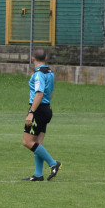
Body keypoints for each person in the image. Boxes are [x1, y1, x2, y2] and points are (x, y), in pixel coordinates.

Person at [22, 47, 62, 181]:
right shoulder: (50, 72)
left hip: (38, 110)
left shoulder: (38, 74)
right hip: (46, 109)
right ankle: (38, 174)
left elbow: (39, 93)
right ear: (45, 58)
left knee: (27, 142)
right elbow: (50, 93)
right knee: (38, 142)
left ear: (32, 58)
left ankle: (53, 163)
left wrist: (31, 112)